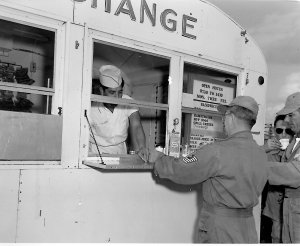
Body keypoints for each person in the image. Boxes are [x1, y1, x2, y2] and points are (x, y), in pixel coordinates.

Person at [149, 96, 269, 243]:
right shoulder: (261, 153)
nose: (223, 122)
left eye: (224, 117)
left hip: (221, 229)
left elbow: (181, 170)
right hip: (248, 227)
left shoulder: (217, 151)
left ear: (230, 117)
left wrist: (159, 159)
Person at [89, 65, 148, 161]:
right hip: (97, 153)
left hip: (120, 151)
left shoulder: (127, 101)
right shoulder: (92, 108)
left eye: (120, 92)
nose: (117, 98)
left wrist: (141, 148)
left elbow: (136, 125)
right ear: (101, 90)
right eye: (112, 93)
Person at [268, 92, 300, 243]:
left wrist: (255, 165)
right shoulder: (296, 142)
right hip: (290, 210)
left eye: (291, 115)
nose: (286, 120)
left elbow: (294, 172)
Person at [262, 115, 294, 243]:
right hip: (276, 214)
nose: (284, 135)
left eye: (288, 131)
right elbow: (245, 163)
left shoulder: (297, 153)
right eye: (280, 131)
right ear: (274, 131)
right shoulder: (267, 152)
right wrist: (264, 149)